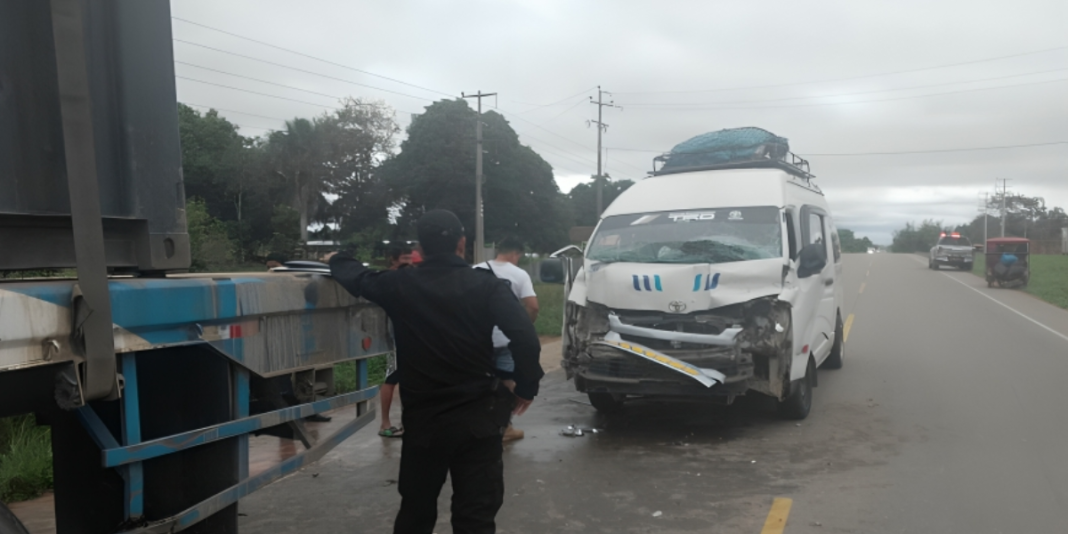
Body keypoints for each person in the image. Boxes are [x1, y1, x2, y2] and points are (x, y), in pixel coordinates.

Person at [329, 210, 542, 534]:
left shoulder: (399, 284)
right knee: (476, 516)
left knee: (416, 511)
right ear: (462, 243)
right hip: (478, 419)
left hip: (424, 421)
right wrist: (526, 386)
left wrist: (337, 258)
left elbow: (358, 278)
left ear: (422, 248)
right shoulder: (487, 286)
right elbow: (525, 337)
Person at [474, 236, 539, 443]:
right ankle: (505, 426)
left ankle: (477, 422)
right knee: (508, 381)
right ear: (515, 254)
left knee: (478, 379)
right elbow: (532, 305)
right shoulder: (519, 274)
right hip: (506, 338)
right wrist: (524, 327)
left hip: (478, 338)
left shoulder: (475, 269)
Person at [379, 244, 414, 438]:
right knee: (392, 378)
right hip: (394, 337)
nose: (408, 264)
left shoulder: (410, 277)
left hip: (410, 335)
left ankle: (405, 421)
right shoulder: (387, 280)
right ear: (393, 260)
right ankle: (385, 421)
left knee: (407, 380)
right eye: (404, 259)